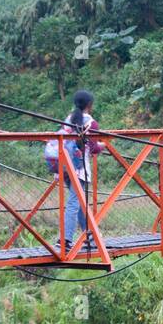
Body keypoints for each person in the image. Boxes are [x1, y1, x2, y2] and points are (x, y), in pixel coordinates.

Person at [59, 89, 104, 253]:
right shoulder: (91, 123)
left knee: (78, 203)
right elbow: (93, 149)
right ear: (89, 105)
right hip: (80, 168)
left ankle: (89, 237)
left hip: (65, 167)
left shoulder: (68, 120)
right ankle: (64, 240)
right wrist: (104, 145)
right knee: (73, 203)